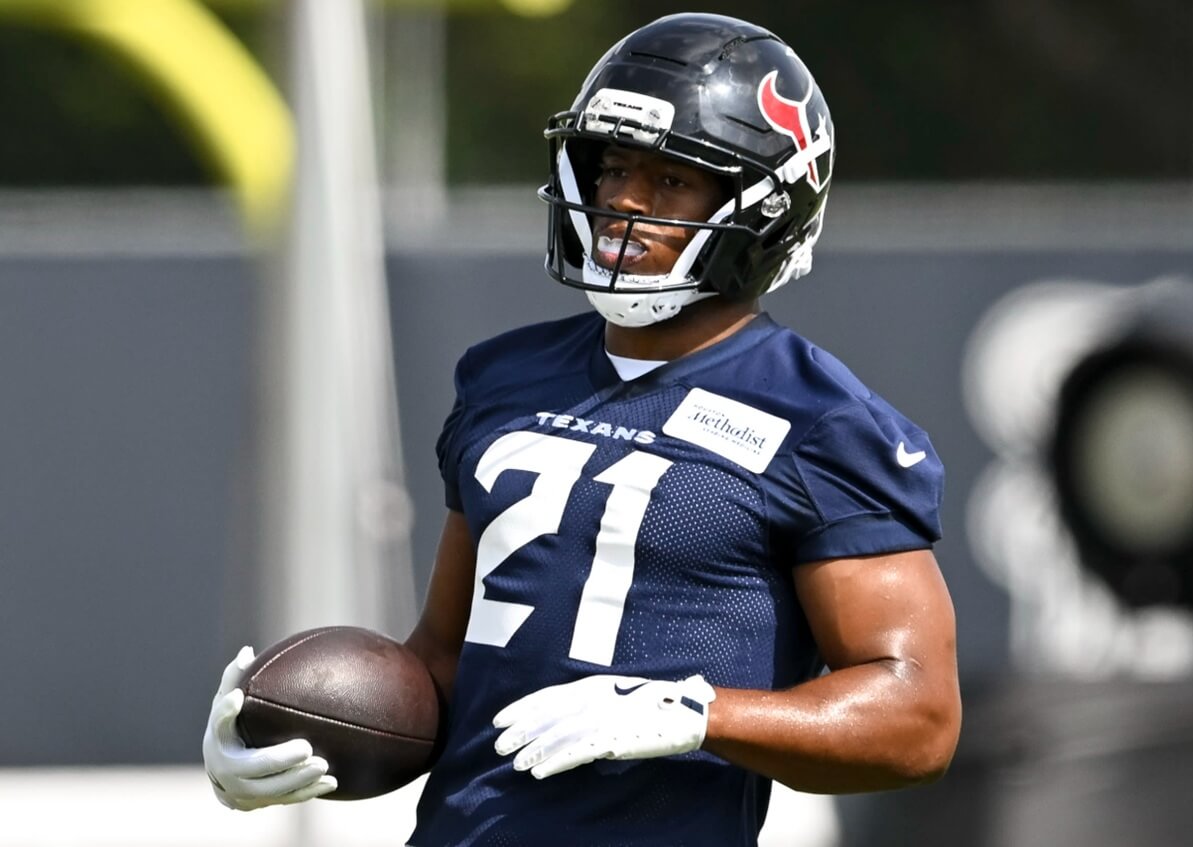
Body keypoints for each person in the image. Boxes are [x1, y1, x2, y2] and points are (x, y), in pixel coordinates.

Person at [202, 12, 961, 846]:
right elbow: (448, 663)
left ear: (765, 205)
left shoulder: (823, 422)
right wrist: (287, 731)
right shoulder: (505, 379)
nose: (624, 201)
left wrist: (694, 713)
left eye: (671, 179)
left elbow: (918, 718)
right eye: (614, 168)